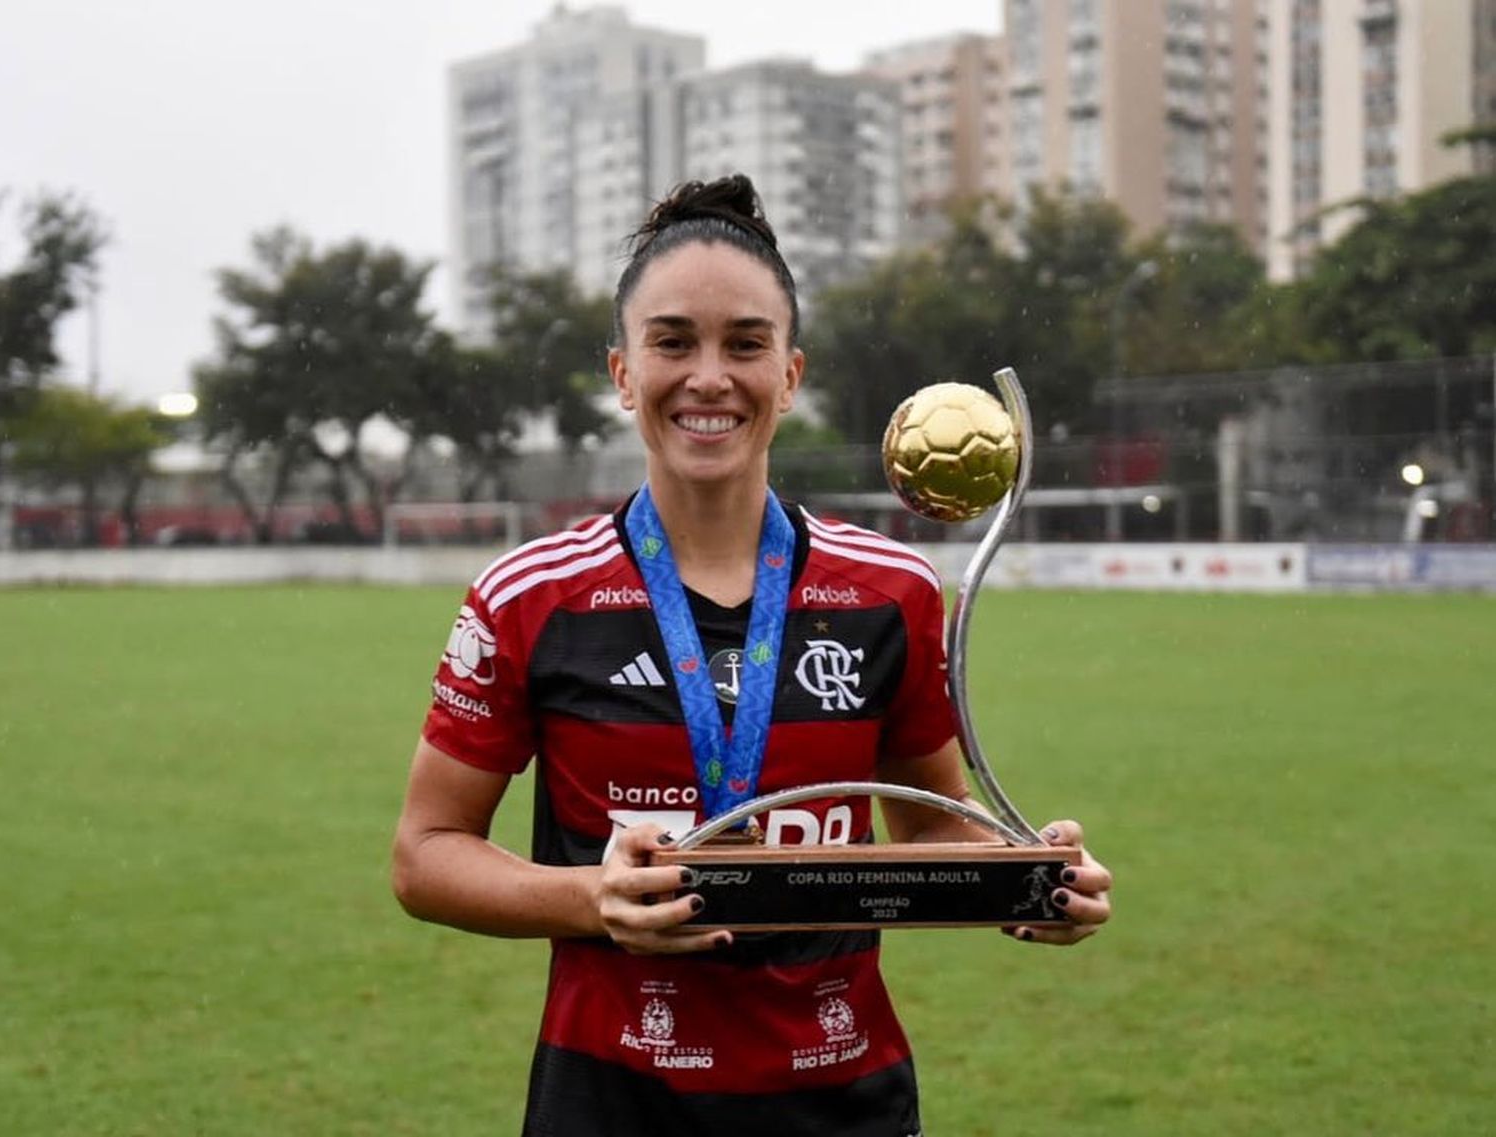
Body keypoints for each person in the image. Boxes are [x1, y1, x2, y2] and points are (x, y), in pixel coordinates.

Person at [392, 173, 1112, 1137]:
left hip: (841, 1096)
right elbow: (425, 856)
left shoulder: (888, 591)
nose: (709, 377)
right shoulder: (531, 596)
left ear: (790, 374)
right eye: (672, 341)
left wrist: (1031, 882)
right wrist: (595, 896)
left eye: (745, 343)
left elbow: (931, 829)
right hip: (611, 1102)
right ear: (620, 373)